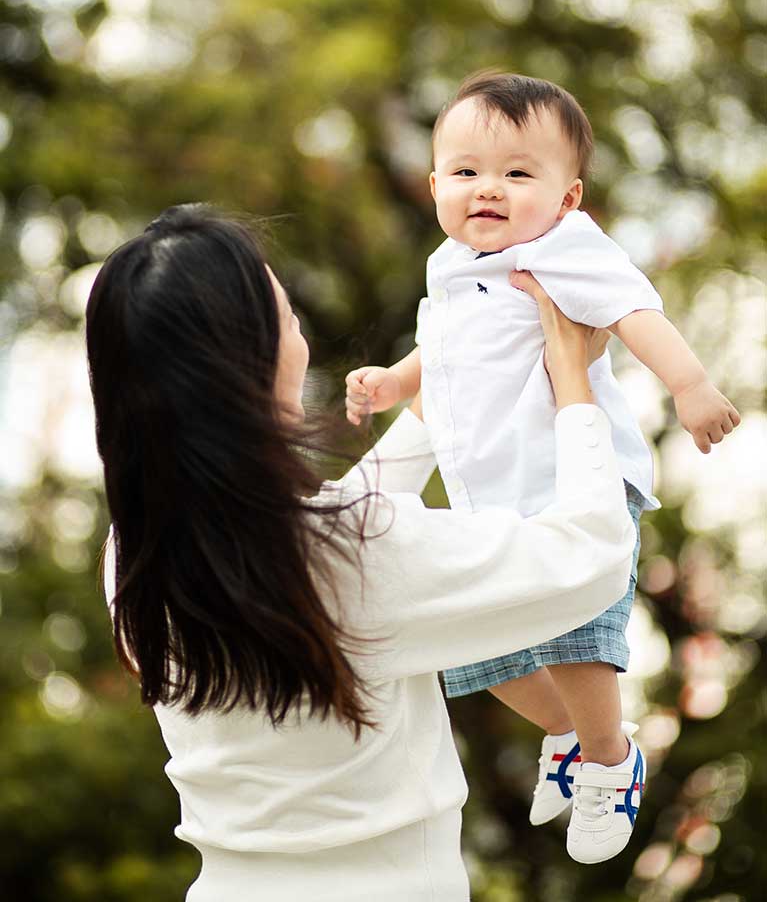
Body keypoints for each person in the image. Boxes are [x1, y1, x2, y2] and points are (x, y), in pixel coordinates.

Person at [87, 203, 638, 901]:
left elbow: (323, 554)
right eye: (285, 311)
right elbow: (591, 558)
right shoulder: (351, 555)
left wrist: (444, 392)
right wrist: (570, 379)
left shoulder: (131, 555)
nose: (296, 328)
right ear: (254, 356)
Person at [345, 71, 740, 864]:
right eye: (465, 172)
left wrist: (690, 385)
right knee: (471, 649)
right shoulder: (448, 265)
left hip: (577, 479)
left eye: (518, 173)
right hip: (491, 496)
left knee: (573, 633)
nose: (486, 189)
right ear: (433, 187)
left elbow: (634, 312)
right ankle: (563, 733)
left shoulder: (565, 247)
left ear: (567, 196)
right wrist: (395, 382)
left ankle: (607, 759)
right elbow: (450, 349)